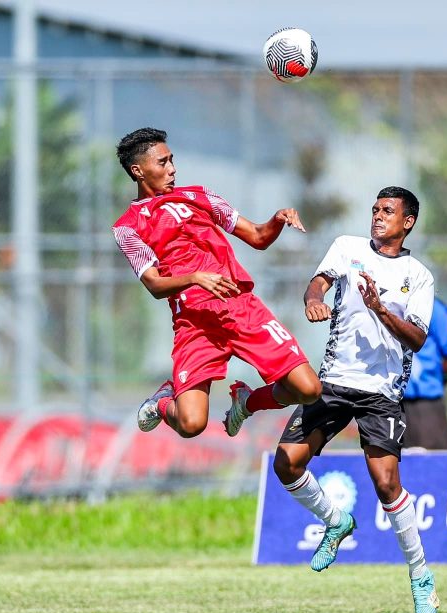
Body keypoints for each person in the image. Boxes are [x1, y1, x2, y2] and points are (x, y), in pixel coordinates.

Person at [274, 186, 440, 613]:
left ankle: (421, 575)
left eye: (388, 211)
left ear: (408, 222)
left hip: (380, 392)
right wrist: (313, 298)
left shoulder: (418, 275)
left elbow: (418, 338)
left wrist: (381, 311)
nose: (378, 216)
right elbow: (320, 280)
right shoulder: (347, 248)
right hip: (334, 382)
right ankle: (335, 520)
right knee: (287, 463)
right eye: (375, 209)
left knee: (386, 485)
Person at [112, 127, 322, 439]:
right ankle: (161, 405)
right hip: (195, 324)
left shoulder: (199, 196)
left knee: (309, 389)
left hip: (241, 308)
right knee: (191, 425)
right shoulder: (128, 228)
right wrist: (195, 278)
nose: (172, 169)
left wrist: (276, 220)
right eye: (162, 163)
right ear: (138, 170)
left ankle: (247, 402)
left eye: (172, 160)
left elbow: (257, 237)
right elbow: (155, 285)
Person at [402, 297, 447, 449]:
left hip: (425, 407)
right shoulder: (380, 303)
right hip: (386, 404)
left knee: (434, 466)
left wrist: (432, 382)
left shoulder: (432, 308)